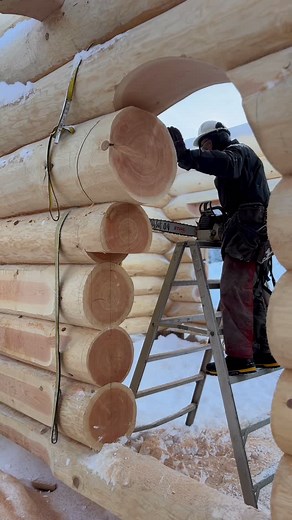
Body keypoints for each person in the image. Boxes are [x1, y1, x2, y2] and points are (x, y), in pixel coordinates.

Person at [168, 121, 279, 376]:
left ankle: (240, 358)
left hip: (248, 228)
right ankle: (264, 351)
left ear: (218, 137)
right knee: (255, 292)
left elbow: (224, 162)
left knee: (234, 291)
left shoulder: (238, 153)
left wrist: (187, 157)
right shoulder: (239, 166)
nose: (205, 150)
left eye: (207, 144)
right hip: (253, 229)